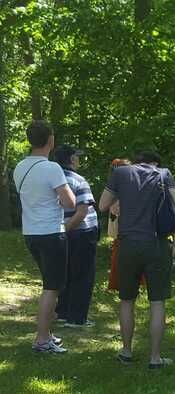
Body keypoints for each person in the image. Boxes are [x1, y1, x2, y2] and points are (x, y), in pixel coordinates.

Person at [98, 150, 175, 369]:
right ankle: (155, 358)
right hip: (156, 243)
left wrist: (121, 199)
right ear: (153, 163)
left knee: (126, 301)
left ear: (135, 162)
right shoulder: (164, 174)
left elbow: (102, 205)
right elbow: (174, 211)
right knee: (157, 302)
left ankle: (126, 352)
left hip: (127, 244)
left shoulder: (121, 173)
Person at [13, 120, 76, 353]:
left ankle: (47, 333)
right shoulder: (51, 168)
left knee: (50, 283)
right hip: (51, 232)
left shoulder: (19, 167)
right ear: (50, 140)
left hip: (31, 232)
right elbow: (70, 202)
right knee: (52, 287)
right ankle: (41, 340)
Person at [53, 145, 99, 328]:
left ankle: (63, 312)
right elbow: (81, 212)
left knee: (66, 273)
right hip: (82, 233)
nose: (79, 160)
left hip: (61, 230)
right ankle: (77, 318)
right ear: (71, 159)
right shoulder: (78, 180)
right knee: (83, 275)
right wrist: (66, 231)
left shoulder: (53, 180)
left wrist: (61, 231)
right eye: (77, 157)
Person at [106, 159, 134, 292]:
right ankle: (120, 284)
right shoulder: (115, 187)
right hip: (121, 229)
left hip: (130, 230)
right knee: (119, 255)